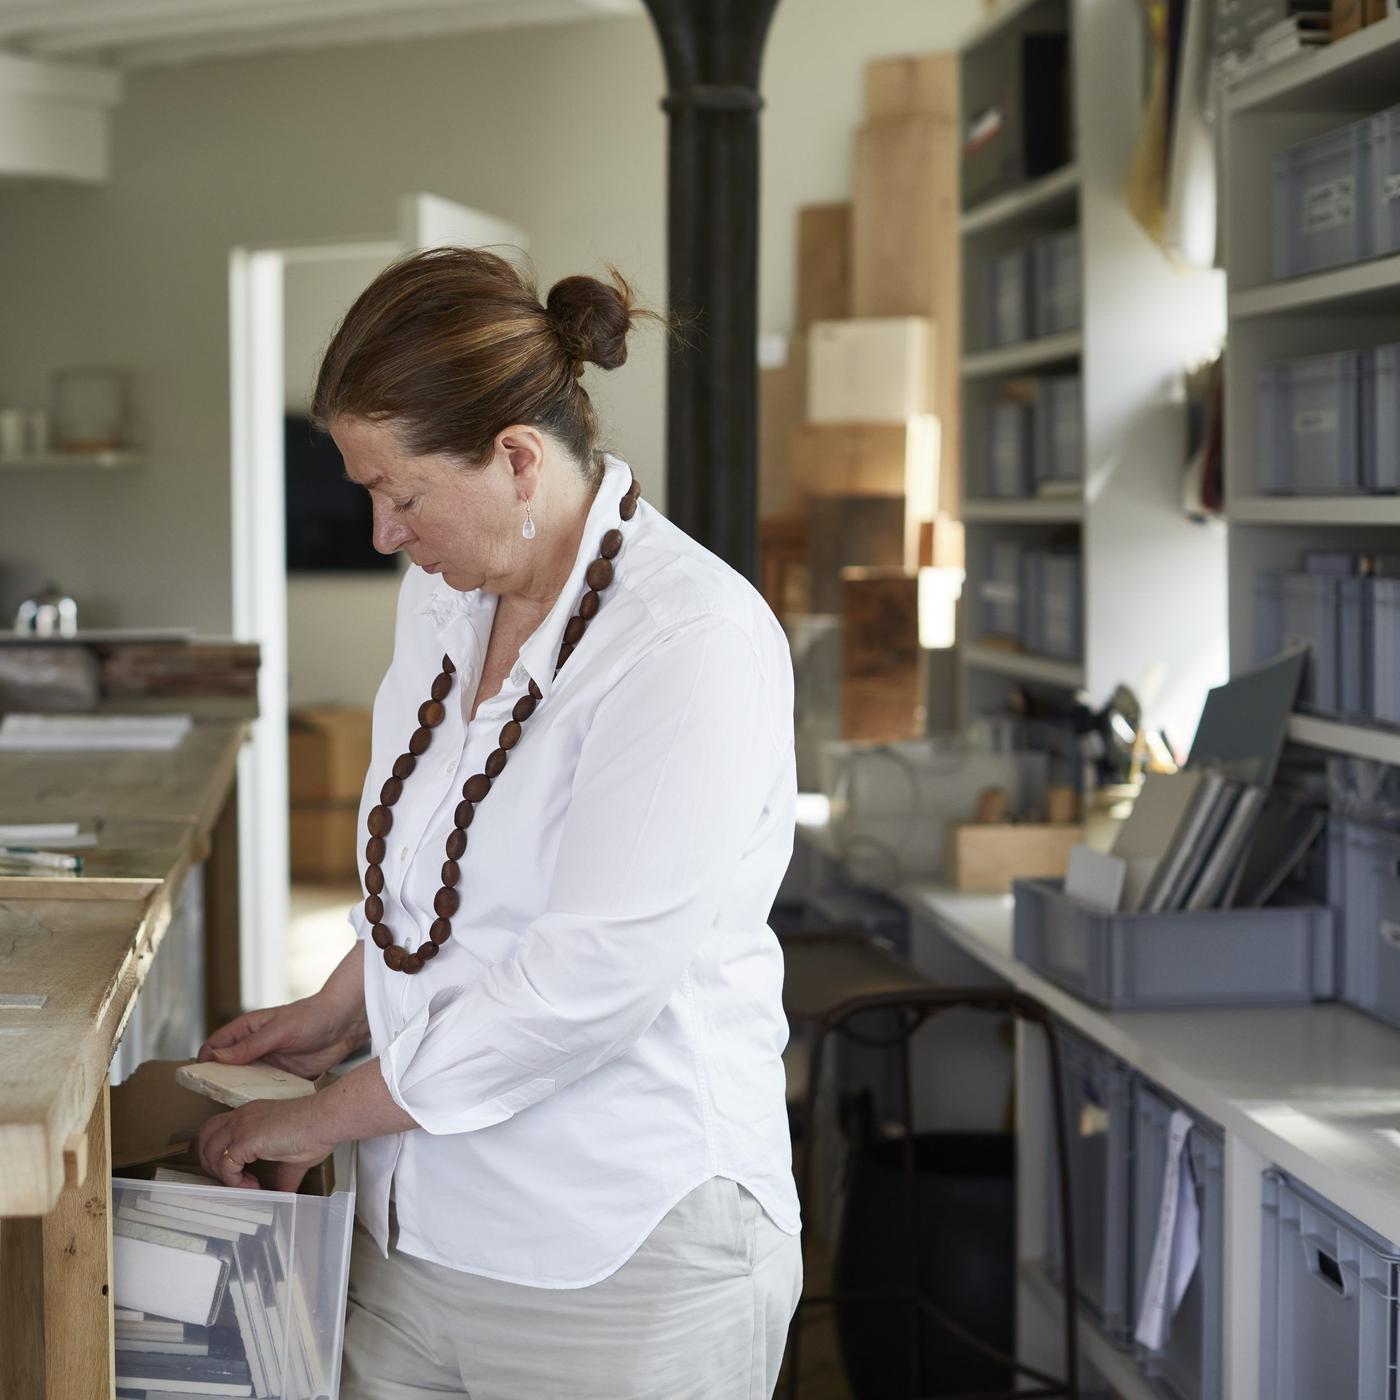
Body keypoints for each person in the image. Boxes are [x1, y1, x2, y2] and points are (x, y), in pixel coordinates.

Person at [194, 247, 803, 1399]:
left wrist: (323, 1116)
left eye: (402, 494)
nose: (382, 533)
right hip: (416, 1228)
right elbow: (440, 878)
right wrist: (333, 1010)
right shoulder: (448, 593)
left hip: (618, 1254)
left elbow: (580, 981)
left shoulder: (690, 642)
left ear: (518, 459)